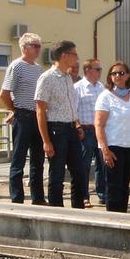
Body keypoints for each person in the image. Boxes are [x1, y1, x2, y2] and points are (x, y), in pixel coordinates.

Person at [35, 40, 89, 209]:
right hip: (56, 130)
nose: (77, 58)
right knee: (57, 173)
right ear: (65, 56)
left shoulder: (67, 77)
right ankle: (57, 209)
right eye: (74, 54)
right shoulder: (47, 78)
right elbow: (40, 110)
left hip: (71, 128)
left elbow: (71, 105)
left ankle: (77, 207)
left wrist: (77, 124)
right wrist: (46, 140)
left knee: (78, 171)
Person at [0, 32, 46, 204]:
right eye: (35, 46)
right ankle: (17, 198)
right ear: (25, 48)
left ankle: (38, 197)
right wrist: (15, 110)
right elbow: (4, 93)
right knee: (19, 159)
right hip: (23, 115)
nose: (38, 49)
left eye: (39, 46)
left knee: (38, 160)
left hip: (37, 117)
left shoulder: (38, 68)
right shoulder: (16, 66)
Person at [95, 61, 130, 212]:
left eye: (121, 73)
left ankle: (124, 216)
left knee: (124, 185)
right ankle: (113, 219)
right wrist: (105, 150)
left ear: (127, 75)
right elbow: (99, 125)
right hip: (113, 146)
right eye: (114, 73)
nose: (117, 76)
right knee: (113, 186)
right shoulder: (105, 96)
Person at [74, 58, 106, 206]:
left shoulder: (102, 88)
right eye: (97, 69)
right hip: (86, 131)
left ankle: (103, 194)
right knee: (84, 165)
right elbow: (73, 111)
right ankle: (83, 196)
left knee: (102, 164)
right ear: (88, 70)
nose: (100, 72)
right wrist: (78, 126)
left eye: (100, 69)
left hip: (100, 131)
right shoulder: (78, 88)